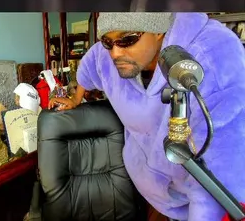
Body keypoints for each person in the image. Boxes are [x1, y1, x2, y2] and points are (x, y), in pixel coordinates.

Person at [49, 12, 245, 221]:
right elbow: (91, 64)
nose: (115, 53)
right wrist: (76, 98)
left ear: (158, 30)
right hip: (152, 195)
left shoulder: (212, 57)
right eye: (107, 42)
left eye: (127, 39)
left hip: (194, 199)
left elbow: (220, 177)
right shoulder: (108, 54)